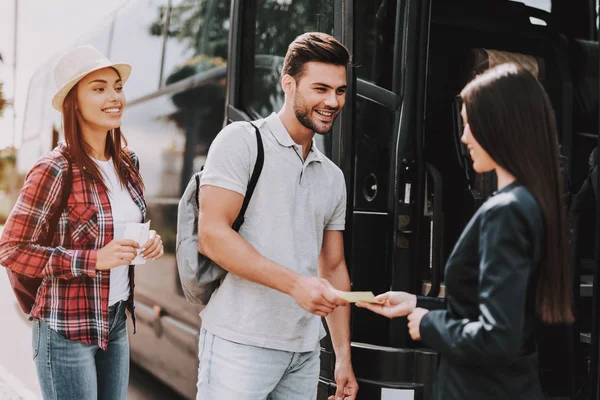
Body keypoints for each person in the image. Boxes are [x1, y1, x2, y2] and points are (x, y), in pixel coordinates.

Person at [357, 64, 574, 399]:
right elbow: (491, 312)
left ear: (499, 126)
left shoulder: (507, 212)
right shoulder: (530, 202)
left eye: (470, 124)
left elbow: (497, 337)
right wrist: (417, 303)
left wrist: (427, 324)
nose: (464, 136)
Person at [196, 32, 358, 400]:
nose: (332, 101)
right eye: (320, 88)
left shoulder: (332, 177)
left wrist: (343, 357)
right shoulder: (240, 141)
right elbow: (212, 235)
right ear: (288, 83)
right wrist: (295, 284)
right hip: (240, 342)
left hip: (304, 351)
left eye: (341, 90)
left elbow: (332, 267)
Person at [0, 45, 164, 400]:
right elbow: (11, 249)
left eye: (117, 87)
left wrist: (150, 240)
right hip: (64, 331)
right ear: (73, 102)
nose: (114, 96)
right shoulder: (55, 168)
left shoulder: (128, 161)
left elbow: (117, 227)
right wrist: (92, 260)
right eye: (99, 88)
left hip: (115, 321)